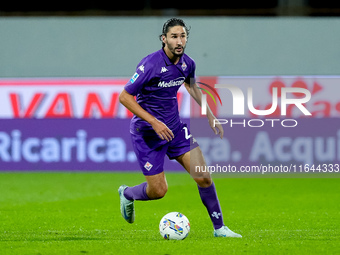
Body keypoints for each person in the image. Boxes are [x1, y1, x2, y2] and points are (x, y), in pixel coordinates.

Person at [118, 18, 241, 238]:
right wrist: (154, 122)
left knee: (203, 176)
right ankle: (127, 193)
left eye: (183, 36)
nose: (179, 41)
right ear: (164, 39)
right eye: (174, 36)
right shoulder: (150, 65)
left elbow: (191, 85)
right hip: (147, 134)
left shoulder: (188, 63)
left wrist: (209, 114)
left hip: (174, 130)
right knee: (158, 191)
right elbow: (125, 97)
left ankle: (220, 228)